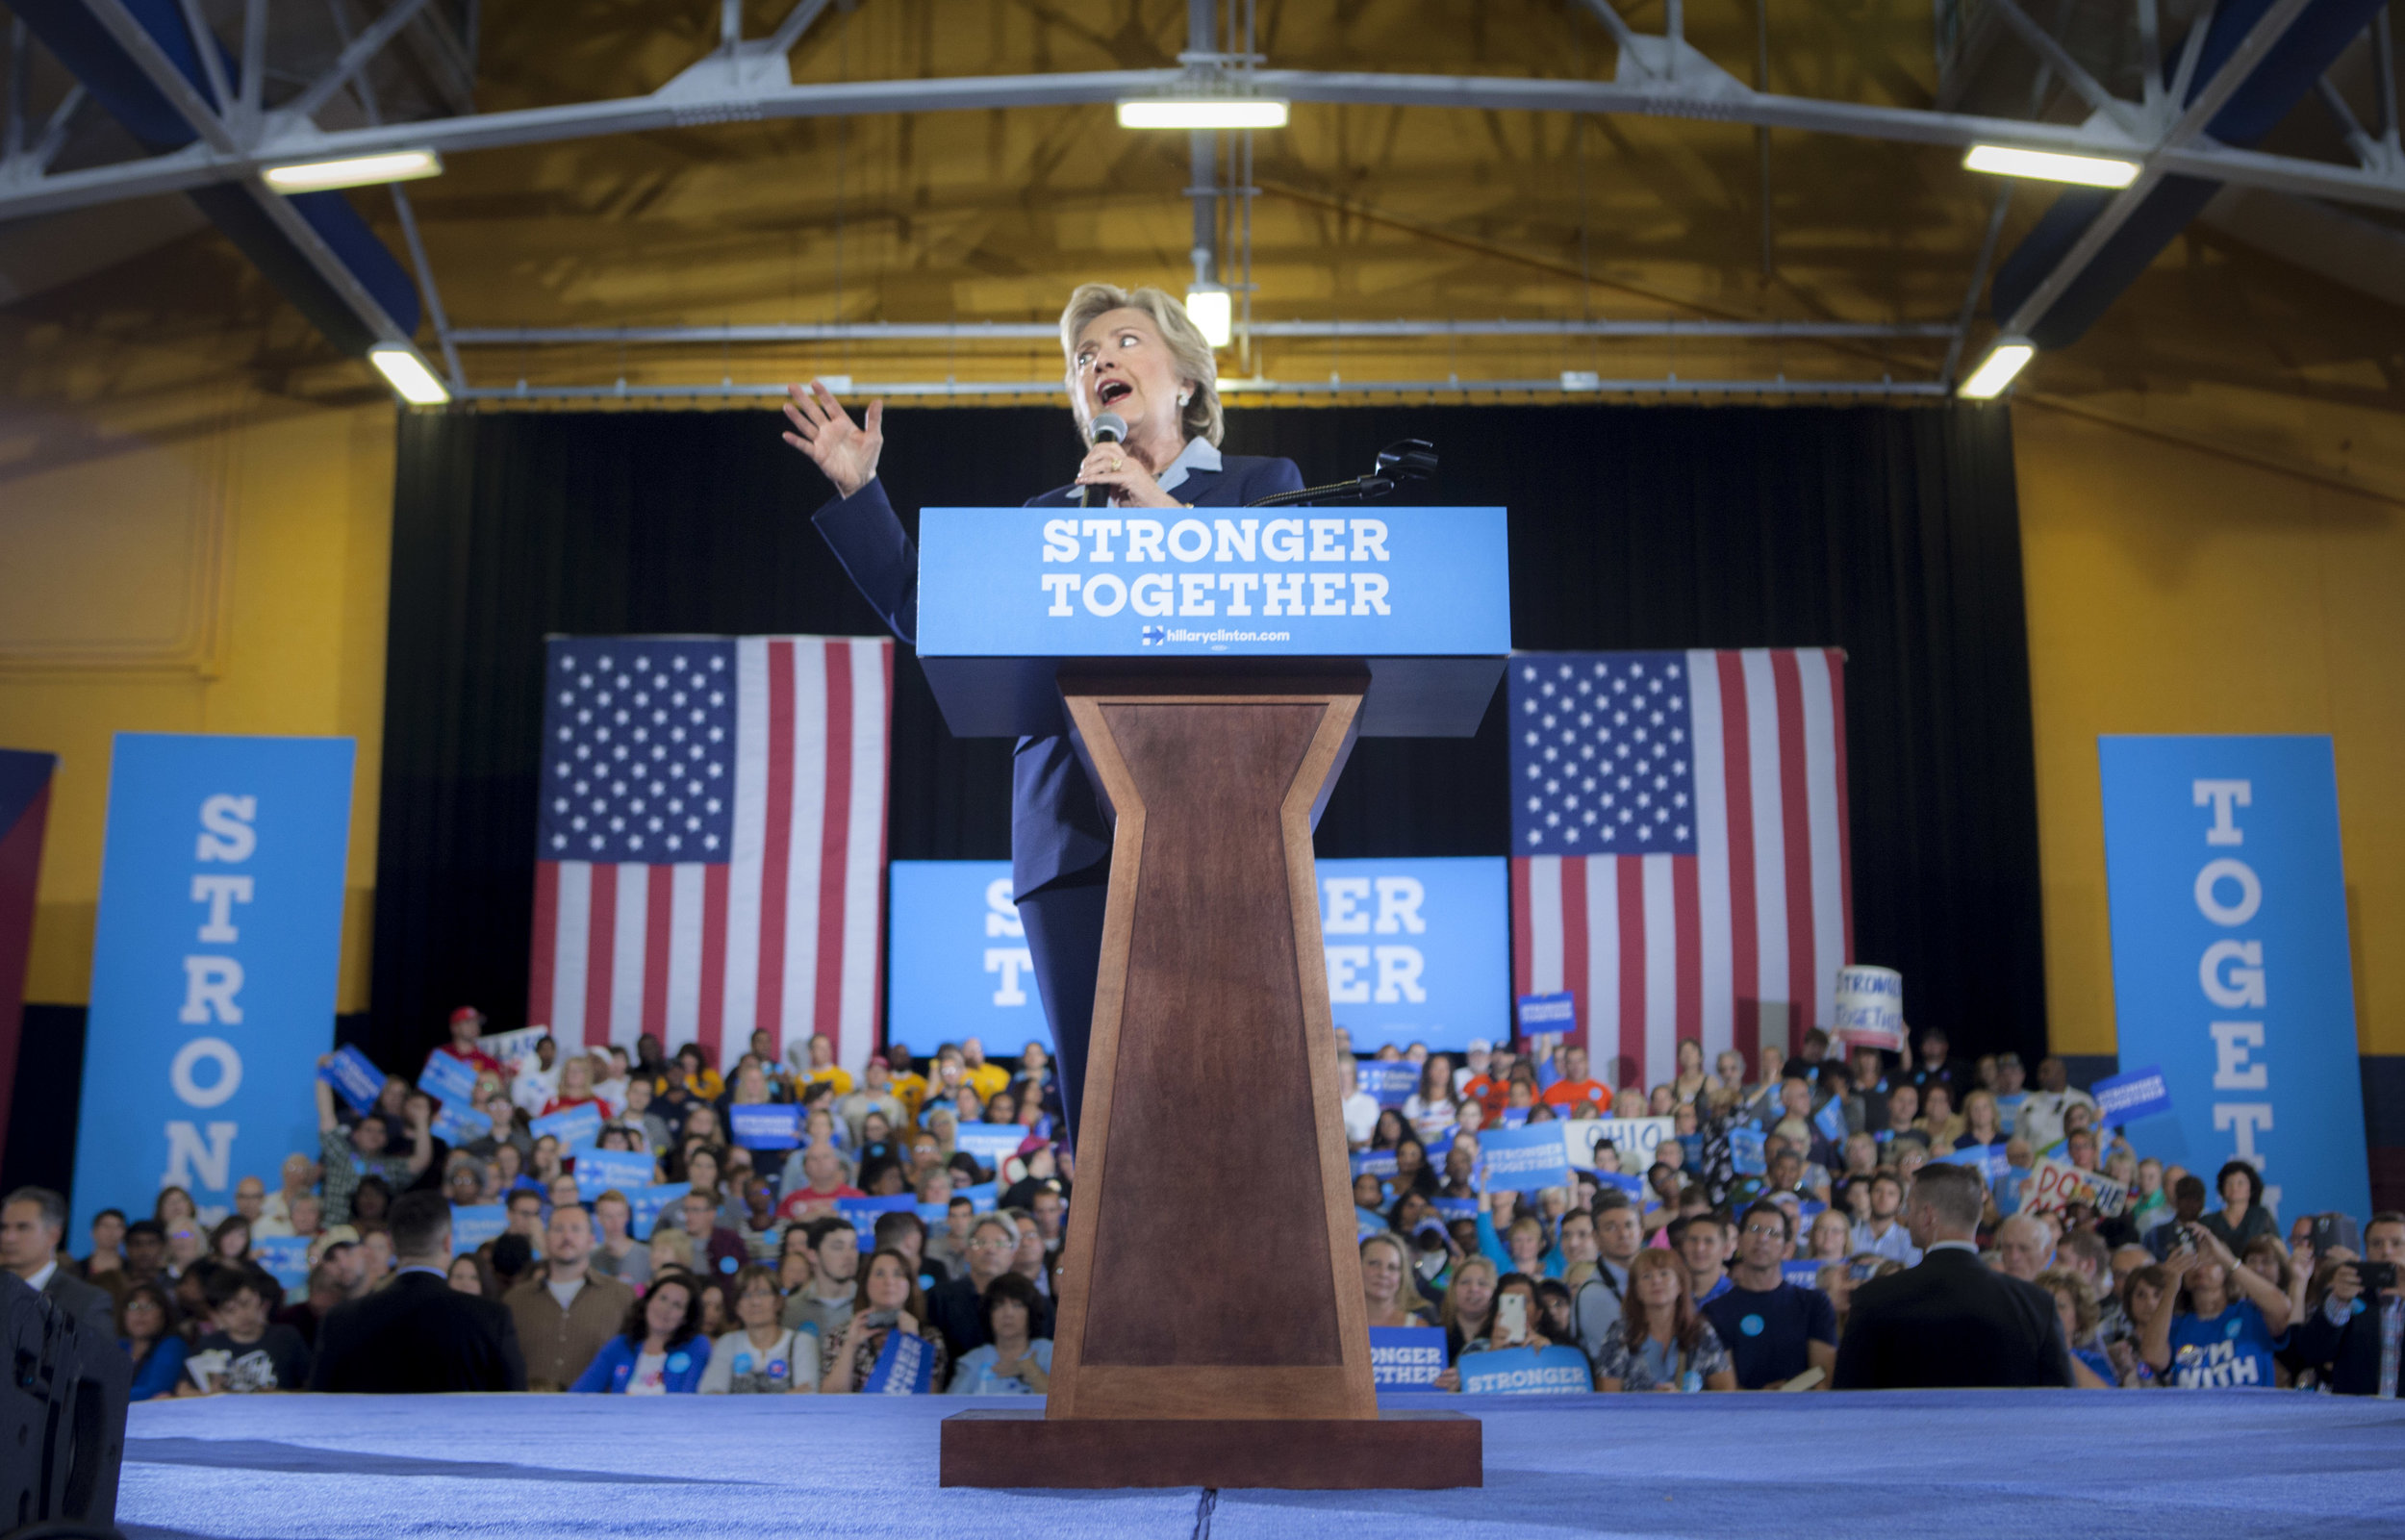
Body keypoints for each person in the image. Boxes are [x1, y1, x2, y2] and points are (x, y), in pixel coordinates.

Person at [784, 285, 1304, 1149]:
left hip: (1219, 828)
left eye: (1125, 342)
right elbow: (931, 616)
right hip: (1071, 840)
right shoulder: (1046, 520)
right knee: (1105, 1117)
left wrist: (1154, 506)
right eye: (1083, 357)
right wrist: (861, 491)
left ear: (1186, 381)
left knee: (1213, 1106)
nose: (1098, 361)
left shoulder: (1261, 487)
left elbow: (1275, 609)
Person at [1833, 1163, 2073, 1389]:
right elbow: (2061, 1407)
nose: (1906, 1216)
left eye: (1910, 1207)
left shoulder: (1873, 1299)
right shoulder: (2036, 1304)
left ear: (1927, 1216)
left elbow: (1846, 1407)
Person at [310, 1192, 526, 1393]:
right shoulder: (492, 1318)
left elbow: (319, 1409)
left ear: (391, 1245)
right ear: (448, 1243)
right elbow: (514, 1410)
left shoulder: (340, 1320)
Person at [2139, 1218, 2291, 1389]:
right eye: (2193, 1260)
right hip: (2198, 1415)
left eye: (2210, 1260)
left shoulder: (2250, 1313)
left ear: (2225, 1270)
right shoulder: (2176, 1326)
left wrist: (2228, 1260)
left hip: (2253, 1414)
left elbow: (2283, 1309)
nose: (2200, 1267)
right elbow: (2152, 1357)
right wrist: (2170, 1288)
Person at [1701, 1201, 1837, 1390]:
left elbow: (1824, 1378)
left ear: (1786, 1248)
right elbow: (1725, 1391)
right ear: (1739, 1241)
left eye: (1773, 1233)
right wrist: (1762, 1399)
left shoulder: (1814, 1304)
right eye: (1754, 1229)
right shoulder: (1716, 1311)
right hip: (1741, 1416)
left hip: (1805, 1414)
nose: (1762, 1238)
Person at [505, 1203, 636, 1391]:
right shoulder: (516, 1300)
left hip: (600, 1414)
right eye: (558, 1229)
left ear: (591, 1239)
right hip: (529, 1413)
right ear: (546, 1238)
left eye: (575, 1229)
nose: (567, 1237)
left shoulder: (622, 1296)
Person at [2287, 1210, 2405, 1396]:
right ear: (2366, 1250)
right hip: (2357, 1417)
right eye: (2376, 1244)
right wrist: (2339, 1300)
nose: (2386, 1251)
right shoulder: (2346, 1293)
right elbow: (2312, 1353)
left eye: (2397, 1243)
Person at [1596, 1250, 1734, 1392]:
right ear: (1636, 1290)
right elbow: (1608, 1397)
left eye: (1664, 1274)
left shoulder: (1700, 1331)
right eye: (1647, 1276)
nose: (1656, 1281)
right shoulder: (1620, 1333)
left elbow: (1725, 1391)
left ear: (1680, 1285)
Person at [2, 1187, 119, 1348]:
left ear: (53, 1235)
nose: (8, 1238)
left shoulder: (86, 1301)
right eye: (4, 1228)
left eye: (23, 1227)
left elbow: (102, 1368)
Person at [823, 1248, 950, 1394]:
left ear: (909, 1283)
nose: (889, 1281)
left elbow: (927, 1402)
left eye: (898, 1274)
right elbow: (830, 1399)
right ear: (865, 1283)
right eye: (879, 1274)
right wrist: (850, 1345)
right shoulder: (840, 1335)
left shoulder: (929, 1338)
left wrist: (912, 1342)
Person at [572, 1271, 710, 1394]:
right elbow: (579, 1394)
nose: (666, 1309)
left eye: (677, 1305)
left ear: (686, 1317)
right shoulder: (620, 1345)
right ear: (648, 1301)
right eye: (662, 1299)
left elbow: (688, 1400)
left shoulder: (696, 1346)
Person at [185, 1266, 313, 1393]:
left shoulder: (286, 1337)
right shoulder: (208, 1344)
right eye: (230, 1310)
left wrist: (280, 1395)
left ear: (257, 1297)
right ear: (217, 1314)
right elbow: (183, 1389)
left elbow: (313, 1387)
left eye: (246, 1303)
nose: (242, 1315)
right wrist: (210, 1393)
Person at [698, 1264, 818, 1394]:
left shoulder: (801, 1342)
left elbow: (807, 1395)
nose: (755, 1302)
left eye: (763, 1293)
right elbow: (711, 1394)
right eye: (747, 1295)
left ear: (778, 1301)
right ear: (737, 1306)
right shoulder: (727, 1342)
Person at [946, 1272, 1053, 1395]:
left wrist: (1031, 1370)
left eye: (1017, 1305)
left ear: (1031, 1312)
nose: (1008, 1313)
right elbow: (950, 1407)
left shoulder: (1050, 1353)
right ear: (989, 1314)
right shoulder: (974, 1360)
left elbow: (1064, 1402)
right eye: (998, 1306)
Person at [783, 1216, 862, 1341]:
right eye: (838, 1247)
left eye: (853, 1246)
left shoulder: (871, 1302)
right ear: (813, 1255)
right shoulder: (791, 1308)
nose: (849, 1255)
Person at [2034, 1267, 2114, 1388]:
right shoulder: (2022, 1359)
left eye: (2060, 1306)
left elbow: (2108, 1401)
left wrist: (2059, 1352)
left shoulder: (2093, 1362)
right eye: (2043, 1305)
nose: (2050, 1312)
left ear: (2079, 1318)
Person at [118, 1282, 188, 1401]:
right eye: (133, 1306)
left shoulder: (172, 1345)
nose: (140, 1313)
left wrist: (106, 1396)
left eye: (149, 1306)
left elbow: (156, 1391)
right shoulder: (118, 1346)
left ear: (164, 1313)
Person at [2199, 1160, 2278, 1254]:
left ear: (2251, 1188)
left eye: (2240, 1183)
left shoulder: (2261, 1216)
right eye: (2229, 1183)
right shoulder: (2208, 1221)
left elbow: (2277, 1248)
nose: (2234, 1188)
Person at [1360, 1232, 1430, 1327]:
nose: (1383, 1274)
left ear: (1402, 1276)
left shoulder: (1419, 1328)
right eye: (1374, 1263)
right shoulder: (1338, 1323)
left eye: (1392, 1267)